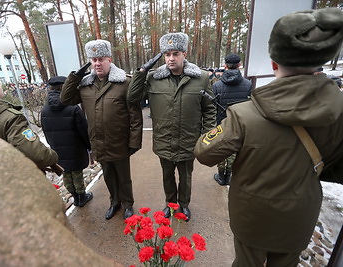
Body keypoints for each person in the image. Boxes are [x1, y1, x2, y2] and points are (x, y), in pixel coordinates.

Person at [194, 7, 343, 267]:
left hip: (252, 216)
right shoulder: (339, 113)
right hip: (299, 216)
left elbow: (204, 153)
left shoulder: (243, 115)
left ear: (274, 64)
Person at [128, 32, 216, 222]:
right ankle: (170, 204)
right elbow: (132, 99)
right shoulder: (153, 78)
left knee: (186, 177)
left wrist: (207, 136)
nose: (171, 58)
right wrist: (140, 73)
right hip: (164, 139)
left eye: (176, 53)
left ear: (185, 53)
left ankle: (183, 205)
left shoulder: (201, 78)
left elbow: (209, 109)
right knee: (167, 176)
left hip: (189, 140)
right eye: (167, 54)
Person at [61, 40, 143, 220]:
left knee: (124, 177)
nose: (97, 63)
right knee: (108, 175)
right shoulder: (85, 85)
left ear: (109, 60)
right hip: (98, 141)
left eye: (101, 59)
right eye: (93, 60)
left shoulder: (124, 83)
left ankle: (128, 204)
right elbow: (66, 99)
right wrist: (75, 76)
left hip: (119, 140)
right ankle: (115, 202)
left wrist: (134, 141)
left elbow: (135, 116)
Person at [41, 76, 93, 207]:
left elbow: (45, 131)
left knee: (65, 173)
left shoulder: (45, 109)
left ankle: (75, 198)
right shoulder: (73, 107)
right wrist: (89, 146)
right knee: (77, 173)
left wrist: (52, 145)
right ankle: (82, 197)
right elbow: (83, 130)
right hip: (75, 148)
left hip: (57, 149)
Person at [211, 54, 252, 185]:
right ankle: (229, 175)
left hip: (221, 123)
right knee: (235, 150)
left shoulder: (217, 86)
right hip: (240, 123)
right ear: (239, 65)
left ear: (225, 66)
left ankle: (221, 176)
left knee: (221, 149)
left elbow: (212, 107)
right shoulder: (248, 84)